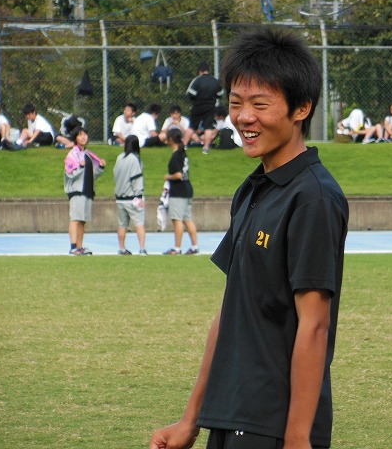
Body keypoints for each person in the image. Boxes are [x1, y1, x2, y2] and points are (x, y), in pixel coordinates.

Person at [150, 27, 349, 449]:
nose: (243, 117)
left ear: (301, 108)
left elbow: (315, 325)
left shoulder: (313, 197)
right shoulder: (252, 188)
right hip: (229, 414)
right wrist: (191, 420)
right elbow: (231, 310)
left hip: (273, 425)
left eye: (260, 104)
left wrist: (298, 437)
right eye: (236, 103)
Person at [64, 126, 105, 256]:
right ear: (75, 138)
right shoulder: (72, 155)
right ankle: (73, 247)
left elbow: (91, 175)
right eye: (80, 135)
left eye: (85, 135)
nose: (83, 137)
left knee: (82, 220)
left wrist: (100, 168)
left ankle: (80, 247)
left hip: (87, 190)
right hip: (77, 191)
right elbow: (70, 174)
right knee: (75, 219)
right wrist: (80, 167)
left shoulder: (88, 155)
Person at [161, 127, 199, 256]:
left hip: (178, 191)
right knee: (187, 219)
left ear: (171, 139)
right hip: (187, 189)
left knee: (177, 219)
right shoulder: (183, 153)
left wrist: (167, 176)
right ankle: (194, 247)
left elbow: (178, 175)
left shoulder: (176, 155)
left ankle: (177, 248)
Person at [113, 135, 147, 256]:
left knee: (122, 225)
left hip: (120, 198)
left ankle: (122, 248)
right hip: (132, 198)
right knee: (139, 223)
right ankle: (142, 248)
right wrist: (139, 196)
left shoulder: (120, 157)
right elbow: (136, 179)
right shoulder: (135, 159)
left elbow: (115, 174)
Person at [185, 61, 225, 154]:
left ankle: (183, 145)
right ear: (208, 70)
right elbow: (220, 94)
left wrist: (196, 100)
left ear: (200, 70)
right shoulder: (214, 81)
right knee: (208, 127)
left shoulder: (197, 80)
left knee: (192, 126)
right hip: (210, 107)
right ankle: (206, 148)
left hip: (197, 106)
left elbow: (190, 94)